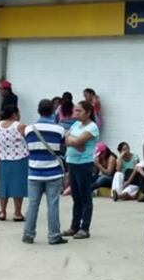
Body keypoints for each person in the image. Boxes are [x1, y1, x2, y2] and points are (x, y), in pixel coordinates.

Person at [23, 99, 68, 245]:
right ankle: (54, 235)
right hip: (53, 172)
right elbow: (62, 148)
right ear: (53, 111)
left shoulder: (29, 129)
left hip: (34, 171)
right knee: (53, 204)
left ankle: (28, 234)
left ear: (38, 110)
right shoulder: (60, 130)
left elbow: (28, 147)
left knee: (32, 204)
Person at [64, 100, 100, 239]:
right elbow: (66, 138)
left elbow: (79, 142)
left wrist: (73, 141)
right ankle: (74, 226)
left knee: (85, 196)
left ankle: (85, 227)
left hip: (83, 164)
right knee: (76, 196)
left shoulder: (92, 127)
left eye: (79, 111)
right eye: (75, 110)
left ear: (88, 112)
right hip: (72, 162)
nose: (76, 113)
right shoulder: (76, 124)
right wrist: (74, 141)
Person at [0, 103, 29, 222]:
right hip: (19, 158)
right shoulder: (19, 126)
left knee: (4, 186)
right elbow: (29, 138)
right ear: (15, 114)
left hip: (4, 158)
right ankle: (17, 213)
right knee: (18, 186)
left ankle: (3, 211)